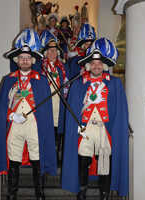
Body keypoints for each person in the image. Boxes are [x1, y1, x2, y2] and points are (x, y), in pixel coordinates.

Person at [62, 38, 129, 200]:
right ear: (88, 65)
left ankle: (104, 195)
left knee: (105, 162)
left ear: (104, 65)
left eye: (99, 63)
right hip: (85, 129)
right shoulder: (78, 84)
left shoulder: (114, 84)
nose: (96, 66)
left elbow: (120, 111)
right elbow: (73, 108)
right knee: (83, 160)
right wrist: (76, 126)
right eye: (93, 62)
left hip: (103, 129)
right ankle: (82, 192)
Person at [0, 29, 57, 200]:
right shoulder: (9, 79)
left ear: (32, 60)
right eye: (21, 58)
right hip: (15, 123)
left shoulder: (41, 80)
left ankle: (40, 193)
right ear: (17, 60)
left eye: (27, 58)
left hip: (34, 124)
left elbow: (45, 109)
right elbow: (2, 106)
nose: (24, 60)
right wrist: (10, 115)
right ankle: (12, 193)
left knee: (38, 156)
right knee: (13, 157)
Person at [40, 30, 69, 165]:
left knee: (58, 133)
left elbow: (67, 82)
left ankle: (56, 158)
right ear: (46, 53)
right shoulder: (40, 67)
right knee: (46, 133)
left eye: (55, 51)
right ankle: (46, 158)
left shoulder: (62, 67)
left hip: (59, 105)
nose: (53, 53)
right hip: (46, 105)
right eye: (50, 51)